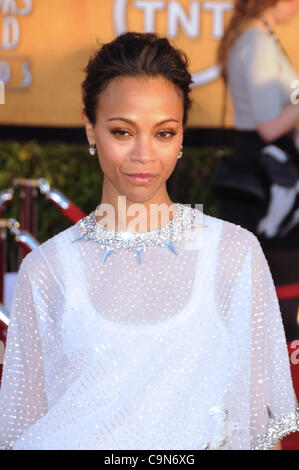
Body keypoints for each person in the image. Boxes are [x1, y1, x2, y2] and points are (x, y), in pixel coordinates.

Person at [0, 32, 298, 450]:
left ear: (182, 136)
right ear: (90, 129)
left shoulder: (233, 254)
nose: (144, 154)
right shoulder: (47, 270)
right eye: (123, 132)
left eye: (163, 133)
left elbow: (260, 434)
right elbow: (18, 431)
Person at [216, 0, 299, 246]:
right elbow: (269, 126)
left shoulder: (257, 36)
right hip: (268, 173)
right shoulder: (257, 40)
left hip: (269, 167)